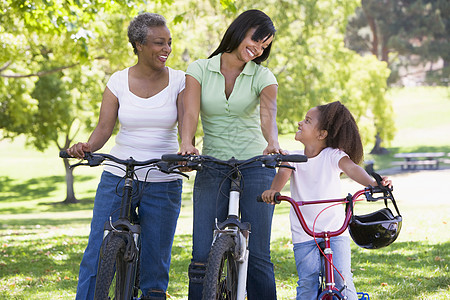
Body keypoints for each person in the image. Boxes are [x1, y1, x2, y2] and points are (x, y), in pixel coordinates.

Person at [66, 12, 185, 300]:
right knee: (97, 251)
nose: (167, 49)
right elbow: (104, 128)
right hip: (119, 175)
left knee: (156, 262)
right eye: (159, 43)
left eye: (169, 42)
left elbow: (187, 128)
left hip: (163, 178)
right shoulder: (118, 81)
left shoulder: (181, 80)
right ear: (139, 44)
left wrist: (185, 153)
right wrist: (87, 146)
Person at [178, 9, 282, 300]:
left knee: (258, 255)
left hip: (255, 165)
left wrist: (272, 142)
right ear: (240, 31)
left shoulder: (263, 75)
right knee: (201, 255)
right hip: (212, 165)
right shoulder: (199, 69)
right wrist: (187, 143)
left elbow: (267, 114)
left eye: (265, 45)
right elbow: (190, 111)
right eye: (256, 39)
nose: (258, 48)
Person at [261, 101, 392, 300]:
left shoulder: (333, 156)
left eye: (307, 121)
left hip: (334, 229)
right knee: (307, 282)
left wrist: (374, 183)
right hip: (305, 232)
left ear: (321, 134)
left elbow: (353, 169)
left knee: (343, 281)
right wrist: (273, 192)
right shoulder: (293, 157)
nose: (300, 123)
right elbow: (281, 178)